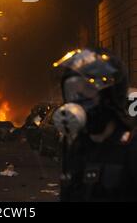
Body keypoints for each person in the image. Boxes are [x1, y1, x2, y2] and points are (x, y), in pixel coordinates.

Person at [52, 48, 137, 202]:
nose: (77, 101)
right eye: (72, 91)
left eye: (87, 91)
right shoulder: (77, 146)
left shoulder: (131, 147)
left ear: (110, 95)